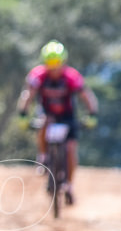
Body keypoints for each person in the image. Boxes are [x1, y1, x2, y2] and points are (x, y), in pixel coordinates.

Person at [17, 40, 98, 202]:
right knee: (43, 123)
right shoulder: (38, 76)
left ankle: (69, 184)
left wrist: (92, 114)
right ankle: (43, 156)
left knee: (70, 149)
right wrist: (23, 114)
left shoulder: (71, 77)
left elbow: (86, 97)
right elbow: (28, 95)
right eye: (50, 63)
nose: (54, 67)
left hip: (68, 115)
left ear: (63, 62)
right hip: (47, 113)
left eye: (57, 63)